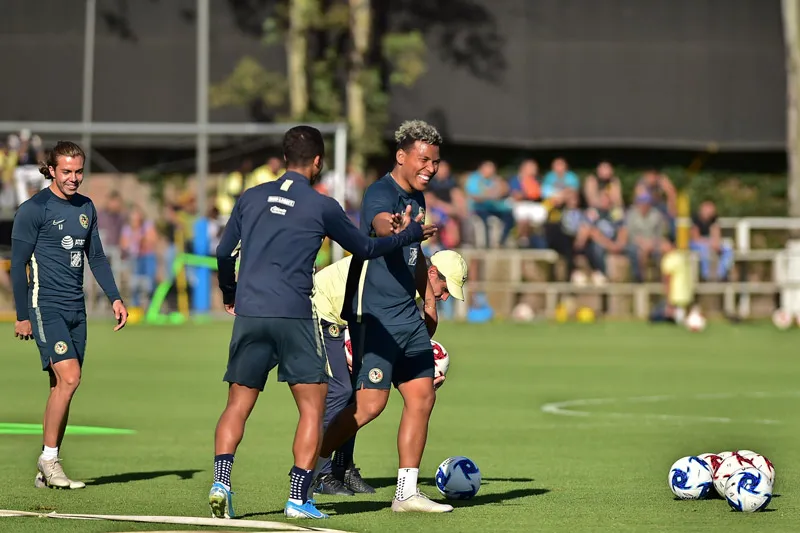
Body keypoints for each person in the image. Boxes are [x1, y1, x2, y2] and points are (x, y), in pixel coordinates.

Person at [209, 125, 435, 521]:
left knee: (237, 405)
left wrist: (230, 291)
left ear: (283, 157)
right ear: (317, 162)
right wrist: (408, 235)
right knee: (312, 410)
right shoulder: (322, 205)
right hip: (296, 315)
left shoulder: (250, 197)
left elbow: (225, 252)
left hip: (250, 313)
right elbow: (365, 246)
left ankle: (221, 483)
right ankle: (298, 497)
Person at [313, 120, 455, 514]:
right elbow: (377, 223)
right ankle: (306, 470)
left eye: (436, 162)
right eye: (424, 160)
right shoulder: (381, 191)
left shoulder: (419, 199)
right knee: (369, 406)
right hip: (375, 317)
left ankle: (406, 493)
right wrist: (391, 227)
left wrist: (428, 297)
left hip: (407, 318)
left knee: (422, 397)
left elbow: (415, 256)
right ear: (401, 156)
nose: (430, 167)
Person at [10, 141, 128, 490]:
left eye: (78, 171)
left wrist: (115, 298)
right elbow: (18, 267)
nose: (74, 178)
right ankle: (50, 459)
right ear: (51, 170)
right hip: (45, 306)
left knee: (62, 386)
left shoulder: (86, 207)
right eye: (67, 171)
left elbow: (97, 258)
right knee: (71, 378)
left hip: (77, 309)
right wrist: (22, 314)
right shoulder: (34, 210)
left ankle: (45, 464)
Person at [311, 250, 468, 497]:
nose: (445, 297)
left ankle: (342, 466)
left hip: (353, 317)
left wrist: (419, 376)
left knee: (357, 393)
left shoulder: (416, 282)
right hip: (323, 308)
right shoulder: (404, 277)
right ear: (432, 273)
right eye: (445, 288)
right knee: (342, 390)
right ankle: (314, 471)